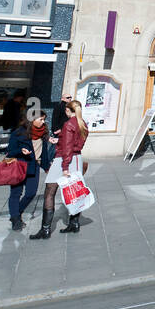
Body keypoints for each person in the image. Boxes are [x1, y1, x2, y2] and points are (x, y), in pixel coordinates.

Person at [31, 99, 89, 238]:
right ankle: (74, 223)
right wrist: (61, 141)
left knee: (50, 191)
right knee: (74, 192)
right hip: (76, 159)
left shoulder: (69, 124)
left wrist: (64, 167)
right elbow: (74, 143)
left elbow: (67, 148)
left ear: (68, 111)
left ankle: (45, 230)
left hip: (63, 159)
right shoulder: (83, 124)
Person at [6, 113, 53, 231]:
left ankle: (17, 212)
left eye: (44, 119)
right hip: (20, 165)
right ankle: (15, 218)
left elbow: (44, 153)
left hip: (34, 166)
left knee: (31, 193)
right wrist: (21, 151)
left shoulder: (43, 133)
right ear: (32, 119)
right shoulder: (18, 133)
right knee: (16, 193)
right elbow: (10, 152)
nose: (43, 122)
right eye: (41, 119)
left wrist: (47, 167)